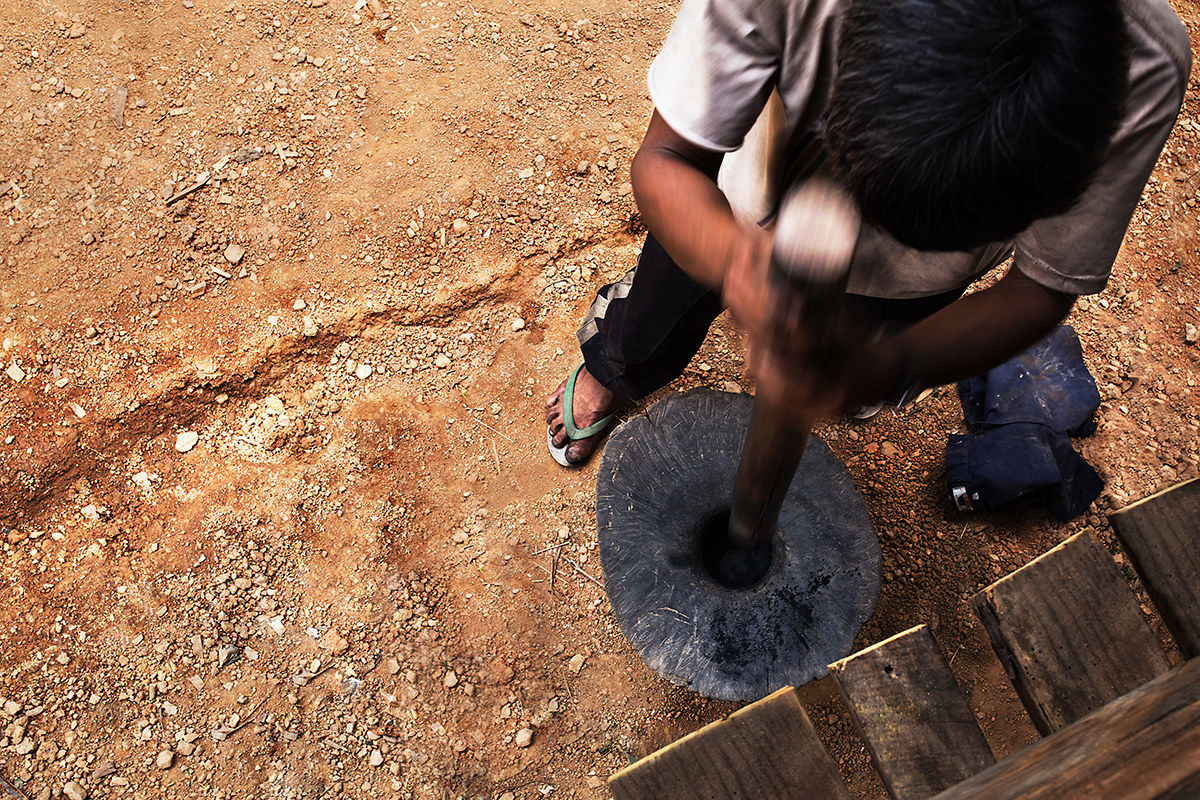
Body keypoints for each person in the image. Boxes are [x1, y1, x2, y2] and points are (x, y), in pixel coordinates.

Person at [546, 0, 1191, 467]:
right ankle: (619, 366)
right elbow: (667, 161)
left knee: (847, 369)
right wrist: (740, 267)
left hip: (905, 284)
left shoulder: (1144, 65)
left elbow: (1042, 287)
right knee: (658, 304)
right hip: (732, 195)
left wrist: (889, 365)